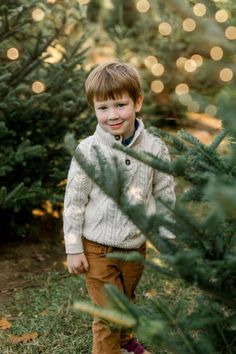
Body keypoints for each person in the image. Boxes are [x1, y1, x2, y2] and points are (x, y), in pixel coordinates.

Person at [63, 61, 176, 354]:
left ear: (137, 102)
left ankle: (126, 342)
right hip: (97, 248)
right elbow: (74, 202)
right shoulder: (88, 151)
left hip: (135, 247)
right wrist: (73, 247)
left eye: (120, 105)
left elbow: (164, 195)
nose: (112, 115)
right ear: (94, 110)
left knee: (126, 300)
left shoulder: (154, 148)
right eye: (103, 108)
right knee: (107, 315)